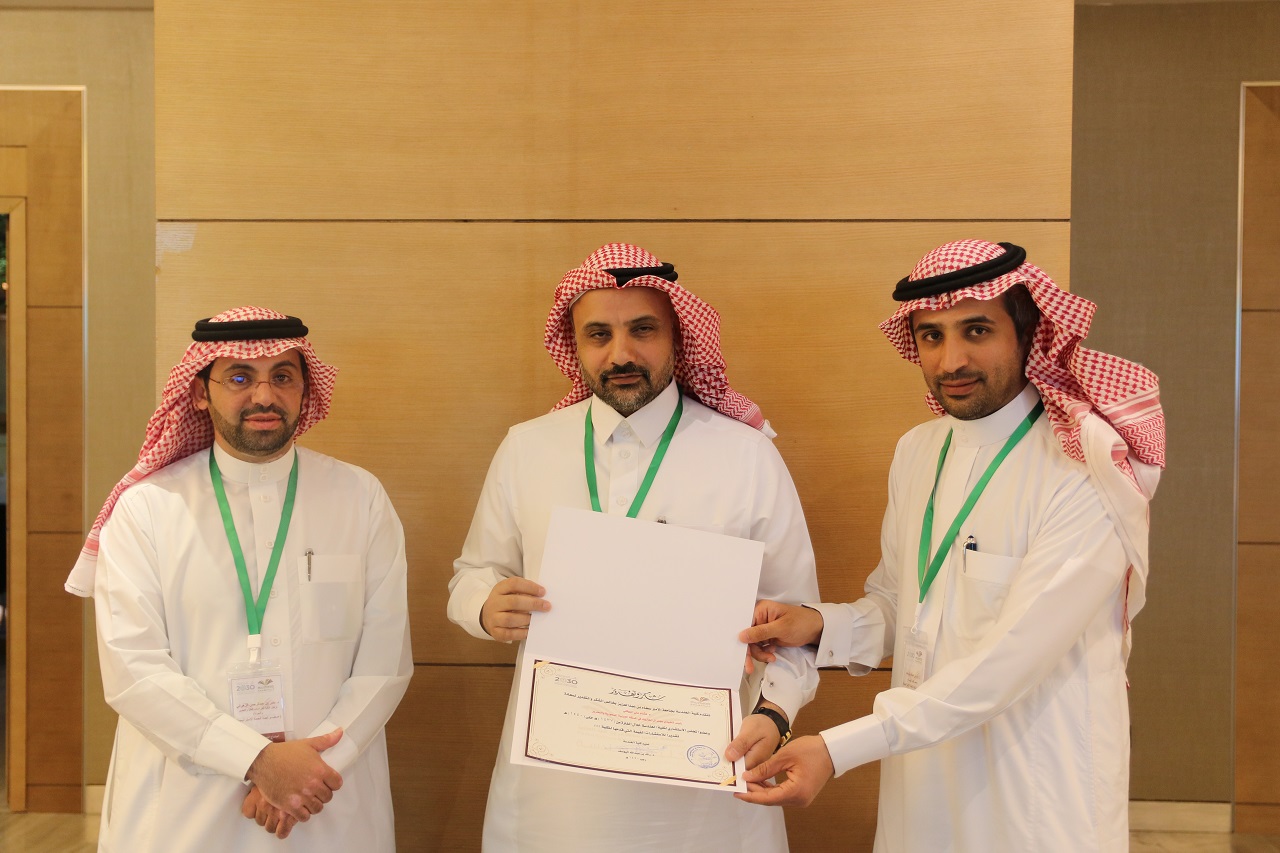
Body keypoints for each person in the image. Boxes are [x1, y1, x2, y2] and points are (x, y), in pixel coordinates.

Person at [737, 240, 1166, 852]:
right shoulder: (919, 450)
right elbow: (902, 607)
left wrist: (838, 748)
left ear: (1028, 333)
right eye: (931, 336)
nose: (951, 360)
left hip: (1036, 789)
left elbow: (1009, 661)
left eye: (976, 331)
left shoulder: (1084, 466)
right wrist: (817, 625)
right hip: (922, 775)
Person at [448, 243, 820, 852]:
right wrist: (485, 607)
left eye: (642, 330)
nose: (620, 354)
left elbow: (797, 620)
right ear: (574, 345)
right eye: (599, 334)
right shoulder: (527, 448)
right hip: (555, 791)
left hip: (705, 785)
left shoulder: (746, 456)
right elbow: (472, 574)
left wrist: (774, 715)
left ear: (677, 336)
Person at [65, 307, 413, 852]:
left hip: (327, 800)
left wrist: (309, 773)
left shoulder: (359, 498)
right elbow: (135, 669)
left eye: (283, 376)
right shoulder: (147, 509)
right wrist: (257, 761)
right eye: (239, 377)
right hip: (184, 809)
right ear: (199, 392)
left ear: (304, 389)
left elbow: (385, 661)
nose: (264, 396)